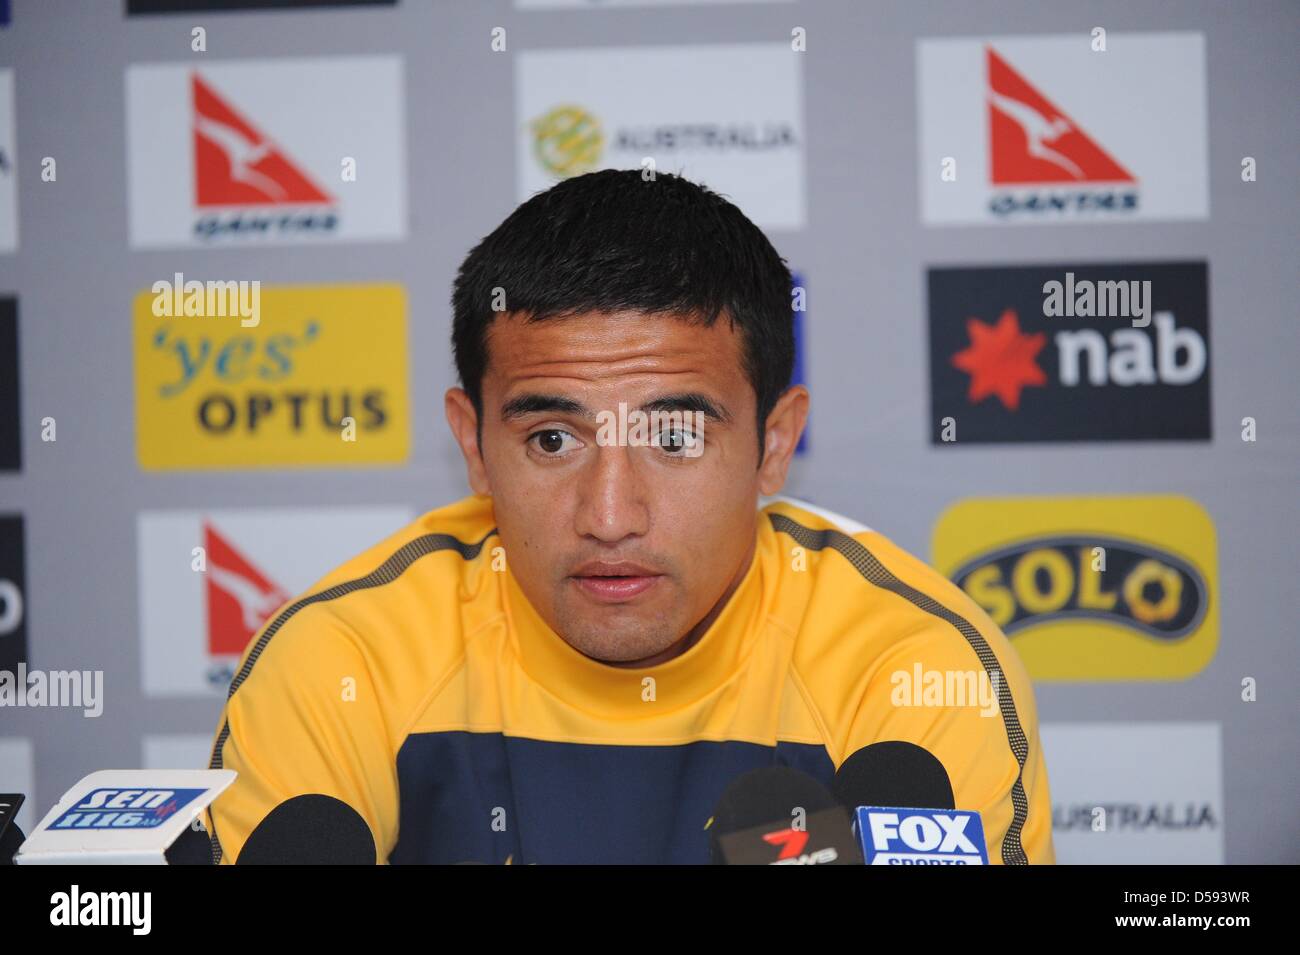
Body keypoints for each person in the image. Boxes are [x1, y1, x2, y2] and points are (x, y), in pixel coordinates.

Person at [203, 169, 1054, 864]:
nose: (610, 515)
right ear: (473, 444)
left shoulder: (911, 666)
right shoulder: (339, 657)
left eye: (675, 437)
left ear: (774, 443)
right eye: (551, 438)